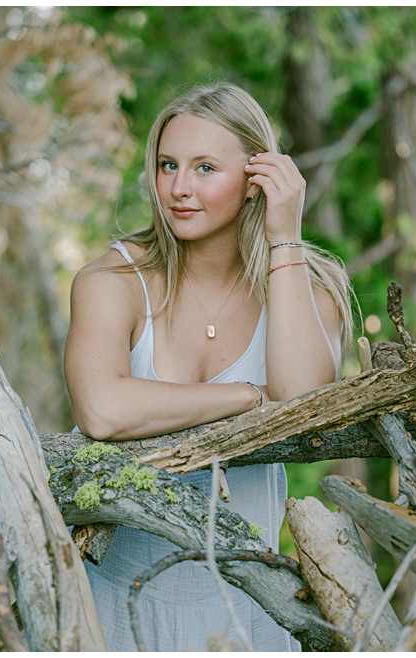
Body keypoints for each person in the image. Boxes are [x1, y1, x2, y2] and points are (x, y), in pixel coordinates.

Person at [63, 81, 354, 651]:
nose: (178, 188)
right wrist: (246, 397)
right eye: (168, 165)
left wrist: (285, 238)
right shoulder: (111, 283)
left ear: (255, 181)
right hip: (106, 598)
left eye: (204, 169)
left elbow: (301, 406)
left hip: (246, 606)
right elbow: (101, 410)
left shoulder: (306, 291)